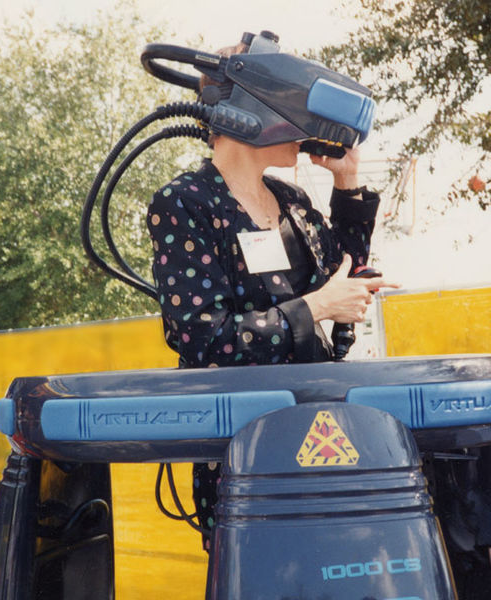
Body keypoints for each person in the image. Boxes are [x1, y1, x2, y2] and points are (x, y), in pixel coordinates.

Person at [146, 39, 396, 550]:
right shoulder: (185, 204)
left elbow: (341, 271)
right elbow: (204, 339)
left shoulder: (292, 200)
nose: (306, 133)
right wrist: (319, 307)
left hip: (321, 420)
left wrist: (347, 183)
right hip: (246, 446)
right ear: (248, 115)